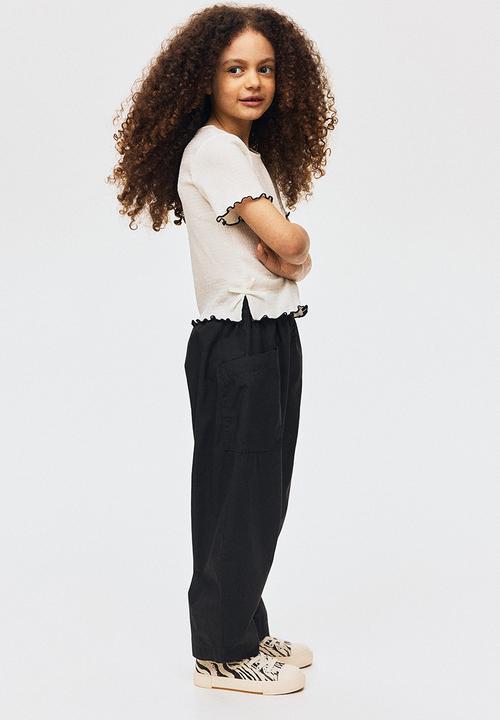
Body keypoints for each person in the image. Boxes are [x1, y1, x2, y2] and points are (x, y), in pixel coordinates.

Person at [108, 4, 337, 695]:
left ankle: (243, 626)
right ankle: (223, 654)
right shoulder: (212, 150)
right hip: (239, 341)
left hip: (269, 331)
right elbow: (290, 243)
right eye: (235, 69)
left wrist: (292, 254)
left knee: (259, 493)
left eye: (264, 68)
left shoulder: (245, 153)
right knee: (240, 494)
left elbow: (291, 257)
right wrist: (294, 246)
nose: (252, 81)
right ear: (204, 79)